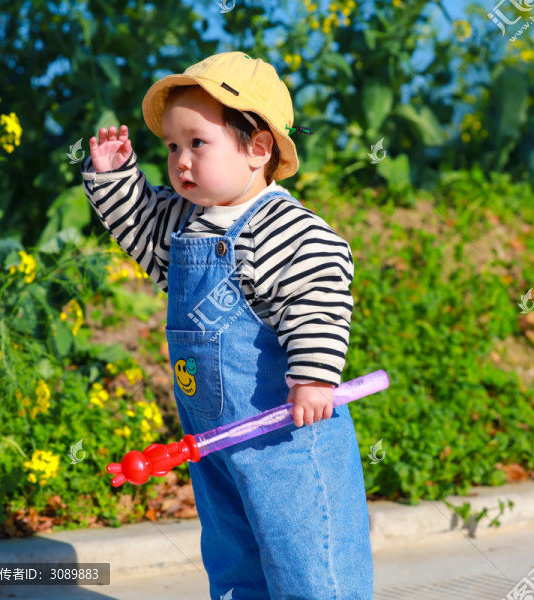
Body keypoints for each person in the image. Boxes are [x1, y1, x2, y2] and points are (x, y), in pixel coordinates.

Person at [81, 51, 372, 600]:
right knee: (233, 555)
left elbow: (319, 295)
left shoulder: (286, 227)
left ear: (258, 148)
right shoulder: (185, 221)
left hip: (287, 435)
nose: (180, 162)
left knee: (305, 554)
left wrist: (314, 376)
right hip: (213, 441)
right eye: (171, 147)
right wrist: (116, 176)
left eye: (197, 143)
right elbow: (140, 227)